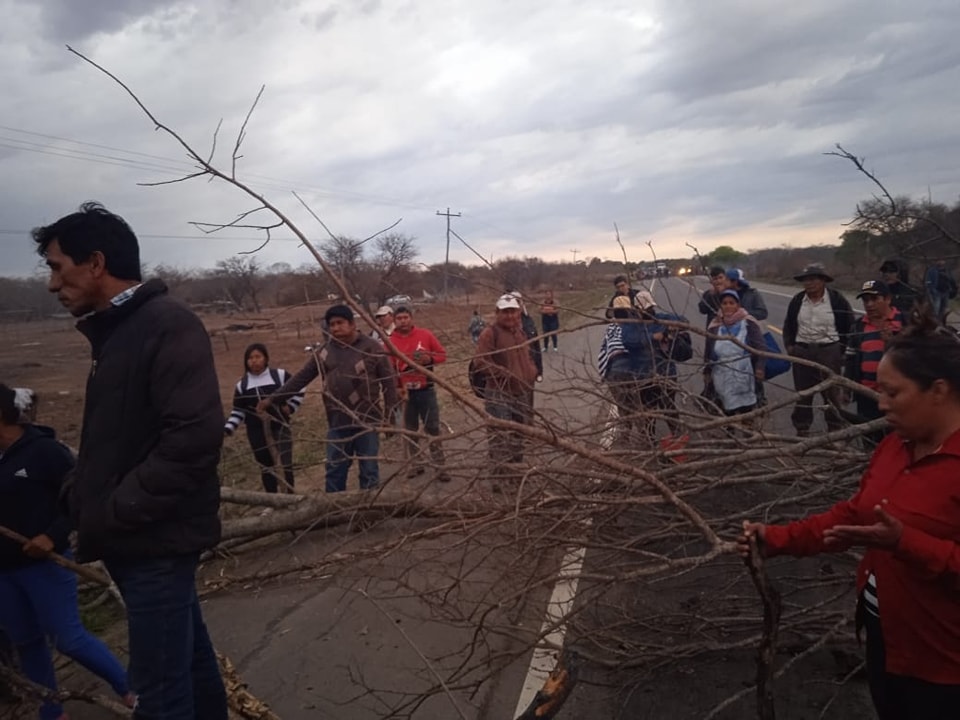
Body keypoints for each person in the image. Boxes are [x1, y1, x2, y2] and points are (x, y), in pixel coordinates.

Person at [32, 203, 228, 719]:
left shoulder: (166, 324)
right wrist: (81, 491)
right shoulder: (116, 333)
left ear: (95, 263)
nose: (53, 285)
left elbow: (193, 438)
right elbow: (115, 439)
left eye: (57, 267)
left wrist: (113, 510)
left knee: (158, 695)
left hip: (153, 540)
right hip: (144, 538)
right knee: (191, 672)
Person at [737, 313, 960, 719]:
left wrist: (904, 543)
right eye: (879, 391)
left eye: (894, 392)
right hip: (884, 642)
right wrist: (776, 538)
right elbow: (852, 516)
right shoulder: (895, 445)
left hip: (944, 669)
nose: (881, 403)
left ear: (938, 391)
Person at [0, 384, 135, 720]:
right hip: (4, 572)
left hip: (44, 565)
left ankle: (131, 689)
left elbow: (81, 498)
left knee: (68, 638)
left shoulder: (44, 452)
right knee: (27, 642)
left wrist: (51, 535)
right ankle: (51, 710)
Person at [260, 305, 399, 493]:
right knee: (335, 470)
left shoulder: (372, 347)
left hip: (368, 421)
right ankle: (333, 514)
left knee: (369, 470)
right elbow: (301, 378)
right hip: (337, 422)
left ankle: (369, 514)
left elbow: (389, 384)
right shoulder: (325, 352)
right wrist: (272, 399)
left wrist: (390, 418)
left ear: (352, 324)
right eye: (331, 324)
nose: (334, 328)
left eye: (339, 323)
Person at [782, 263, 855, 436]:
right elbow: (789, 326)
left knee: (831, 393)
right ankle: (802, 428)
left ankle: (834, 429)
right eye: (805, 280)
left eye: (813, 279)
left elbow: (849, 325)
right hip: (803, 351)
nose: (809, 283)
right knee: (803, 394)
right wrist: (791, 347)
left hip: (829, 351)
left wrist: (843, 351)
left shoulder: (837, 300)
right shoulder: (797, 301)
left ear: (823, 281)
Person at [224, 343, 304, 494]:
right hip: (256, 432)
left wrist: (291, 407)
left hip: (280, 427)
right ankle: (272, 500)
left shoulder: (279, 376)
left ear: (265, 358)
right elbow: (238, 410)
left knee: (285, 463)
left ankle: (290, 498)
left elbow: (300, 387)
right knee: (266, 467)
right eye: (250, 358)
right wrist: (229, 428)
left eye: (257, 357)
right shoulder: (243, 385)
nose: (254, 361)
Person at [473, 295, 539, 477]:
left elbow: (528, 356)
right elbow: (480, 362)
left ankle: (516, 472)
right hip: (498, 393)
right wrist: (505, 374)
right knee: (499, 436)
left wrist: (531, 371)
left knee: (519, 433)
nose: (510, 316)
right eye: (505, 312)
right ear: (497, 313)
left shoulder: (520, 332)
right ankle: (499, 476)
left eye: (513, 311)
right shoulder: (490, 333)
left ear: (519, 312)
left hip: (521, 391)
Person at [619, 290, 692, 443]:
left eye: (650, 308)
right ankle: (650, 443)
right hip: (643, 376)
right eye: (646, 310)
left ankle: (678, 441)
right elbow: (628, 340)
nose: (649, 312)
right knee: (648, 412)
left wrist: (672, 328)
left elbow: (684, 321)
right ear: (637, 310)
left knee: (669, 409)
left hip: (666, 373)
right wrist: (653, 337)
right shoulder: (630, 325)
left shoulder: (661, 319)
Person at [389, 306, 449, 482]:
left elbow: (442, 355)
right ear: (394, 320)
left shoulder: (425, 335)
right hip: (405, 392)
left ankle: (440, 466)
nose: (403, 321)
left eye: (406, 317)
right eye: (399, 318)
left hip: (426, 389)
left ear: (411, 318)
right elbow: (389, 368)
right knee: (410, 430)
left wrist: (429, 359)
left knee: (432, 428)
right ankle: (416, 464)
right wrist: (396, 387)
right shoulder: (390, 341)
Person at [843, 280, 903, 446]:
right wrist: (847, 387)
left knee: (896, 442)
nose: (869, 304)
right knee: (869, 441)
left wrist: (892, 343)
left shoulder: (905, 322)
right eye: (865, 300)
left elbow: (919, 358)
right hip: (866, 394)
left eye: (874, 299)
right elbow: (850, 357)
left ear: (888, 299)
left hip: (898, 396)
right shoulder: (858, 326)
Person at [704, 290, 766, 416]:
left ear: (738, 305)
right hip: (721, 372)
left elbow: (761, 347)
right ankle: (729, 432)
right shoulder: (715, 325)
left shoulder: (748, 323)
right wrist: (707, 371)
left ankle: (749, 433)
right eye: (724, 303)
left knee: (746, 411)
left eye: (731, 303)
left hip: (744, 373)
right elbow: (708, 350)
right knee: (725, 409)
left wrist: (760, 367)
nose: (728, 306)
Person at [596, 296, 644, 435]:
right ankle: (644, 437)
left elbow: (605, 351)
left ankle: (627, 435)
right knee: (638, 406)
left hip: (616, 373)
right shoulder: (637, 325)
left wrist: (604, 372)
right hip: (633, 371)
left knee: (623, 406)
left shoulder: (612, 329)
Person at [509, 291, 544, 382]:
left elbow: (536, 346)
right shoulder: (505, 324)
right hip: (512, 372)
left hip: (529, 369)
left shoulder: (528, 321)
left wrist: (539, 370)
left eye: (518, 302)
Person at [924, 259, 956, 325]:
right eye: (939, 260)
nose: (941, 262)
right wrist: (932, 290)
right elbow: (928, 282)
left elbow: (952, 280)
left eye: (942, 260)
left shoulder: (947, 271)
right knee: (935, 309)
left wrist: (951, 288)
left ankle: (940, 323)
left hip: (946, 292)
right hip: (937, 293)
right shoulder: (932, 270)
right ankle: (933, 323)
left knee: (943, 309)